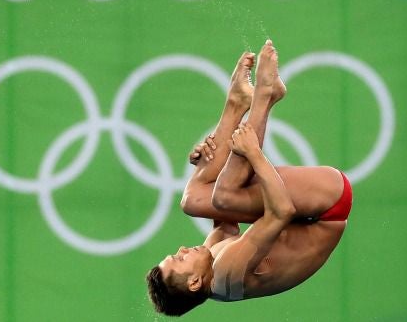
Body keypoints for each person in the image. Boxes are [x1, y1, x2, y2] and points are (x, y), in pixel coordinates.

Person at [145, 40, 353, 316]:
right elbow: (280, 211)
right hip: (328, 206)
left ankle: (237, 102)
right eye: (180, 259)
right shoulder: (228, 273)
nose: (183, 249)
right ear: (194, 282)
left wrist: (205, 163)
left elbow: (226, 221)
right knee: (224, 194)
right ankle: (264, 95)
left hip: (302, 214)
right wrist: (254, 154)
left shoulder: (210, 267)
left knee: (194, 199)